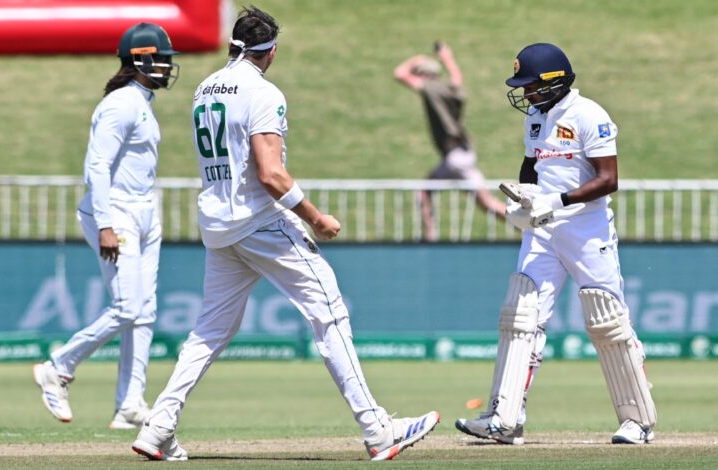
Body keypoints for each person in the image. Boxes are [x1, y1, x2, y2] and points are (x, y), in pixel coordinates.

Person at [130, 6, 439, 461]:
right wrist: (316, 218)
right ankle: (378, 429)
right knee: (330, 313)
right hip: (260, 222)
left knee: (209, 332)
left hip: (218, 224)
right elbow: (271, 173)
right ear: (270, 51)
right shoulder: (262, 92)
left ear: (234, 45)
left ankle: (158, 427)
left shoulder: (204, 87)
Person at [454, 43, 657, 445]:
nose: (526, 94)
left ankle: (638, 420)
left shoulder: (589, 115)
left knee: (607, 320)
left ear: (555, 82)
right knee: (521, 316)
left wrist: (557, 201)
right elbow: (531, 165)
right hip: (543, 229)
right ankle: (505, 418)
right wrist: (525, 200)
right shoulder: (535, 116)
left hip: (586, 229)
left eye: (531, 86)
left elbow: (609, 179)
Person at [32, 23, 180, 429]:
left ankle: (130, 403)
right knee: (127, 306)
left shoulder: (142, 102)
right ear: (141, 60)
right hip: (116, 211)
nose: (168, 67)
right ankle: (58, 367)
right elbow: (96, 166)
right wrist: (105, 224)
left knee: (145, 310)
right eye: (162, 60)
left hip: (144, 211)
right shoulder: (120, 104)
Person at [394, 42, 505, 241]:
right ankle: (527, 226)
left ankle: (430, 239)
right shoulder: (449, 89)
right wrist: (447, 58)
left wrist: (416, 59)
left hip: (455, 158)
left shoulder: (430, 89)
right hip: (465, 154)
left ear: (423, 74)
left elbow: (400, 74)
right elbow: (457, 79)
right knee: (487, 203)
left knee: (424, 192)